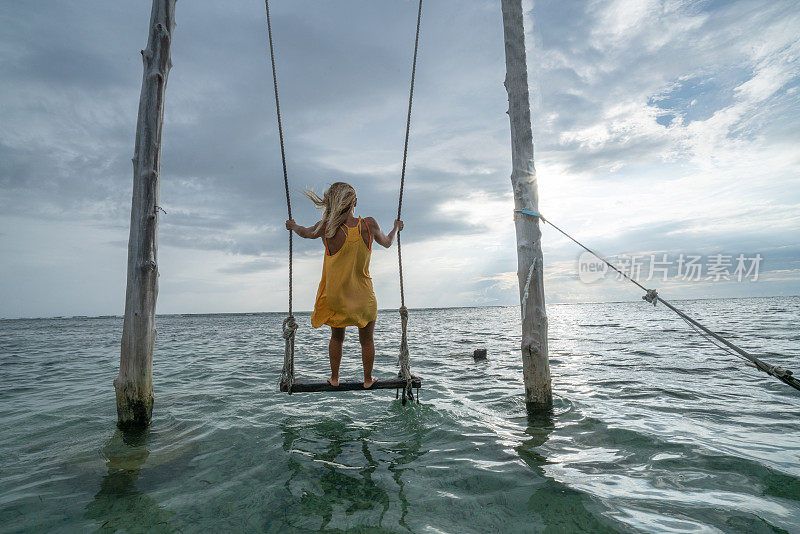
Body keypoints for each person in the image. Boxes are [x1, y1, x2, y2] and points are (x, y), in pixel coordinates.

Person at [286, 182, 403, 388]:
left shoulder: (327, 227)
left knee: (337, 338)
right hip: (364, 298)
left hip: (337, 298)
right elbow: (387, 242)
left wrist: (293, 226)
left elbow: (306, 233)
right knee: (367, 341)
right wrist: (396, 227)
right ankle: (368, 379)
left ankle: (335, 378)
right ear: (355, 202)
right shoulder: (368, 224)